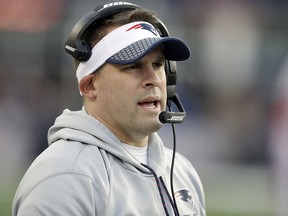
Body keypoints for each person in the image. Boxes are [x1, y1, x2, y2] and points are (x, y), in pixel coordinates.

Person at [12, 2, 206, 216]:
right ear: (90, 86)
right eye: (133, 66)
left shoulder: (182, 172)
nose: (153, 79)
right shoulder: (65, 176)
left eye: (158, 65)